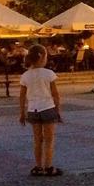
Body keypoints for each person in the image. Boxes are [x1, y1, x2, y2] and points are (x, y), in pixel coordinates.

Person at [18, 44, 63, 177]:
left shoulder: (25, 75)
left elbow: (22, 96)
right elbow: (55, 94)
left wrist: (22, 112)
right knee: (49, 140)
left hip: (33, 109)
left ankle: (38, 167)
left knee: (37, 140)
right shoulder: (49, 74)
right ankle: (48, 167)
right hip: (48, 108)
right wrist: (58, 110)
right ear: (43, 57)